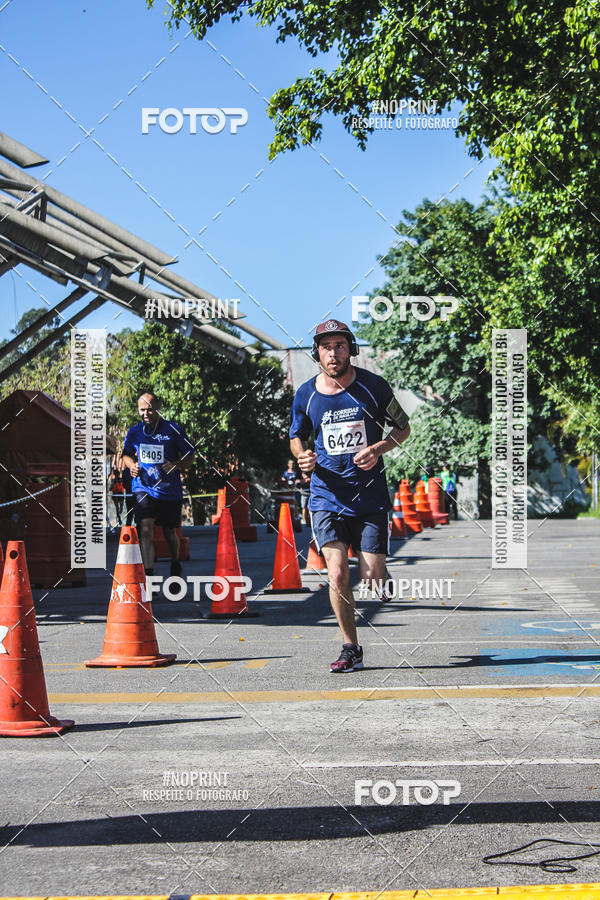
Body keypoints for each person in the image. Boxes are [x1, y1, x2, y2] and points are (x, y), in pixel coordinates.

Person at [289, 319, 411, 673]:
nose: (333, 352)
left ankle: (380, 575)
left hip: (369, 495)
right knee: (338, 573)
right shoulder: (306, 394)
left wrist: (380, 447)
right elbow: (296, 435)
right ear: (317, 352)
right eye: (326, 347)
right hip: (326, 495)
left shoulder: (374, 387)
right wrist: (302, 455)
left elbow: (404, 427)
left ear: (350, 349)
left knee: (371, 575)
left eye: (339, 345)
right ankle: (350, 647)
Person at [122, 392, 194, 576]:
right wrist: (133, 466)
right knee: (145, 529)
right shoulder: (135, 432)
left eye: (150, 409)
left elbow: (190, 456)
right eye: (142, 410)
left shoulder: (173, 430)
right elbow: (126, 455)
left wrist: (176, 465)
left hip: (168, 491)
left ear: (158, 409)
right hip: (143, 488)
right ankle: (149, 576)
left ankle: (175, 562)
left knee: (170, 532)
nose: (145, 413)